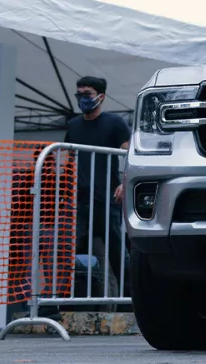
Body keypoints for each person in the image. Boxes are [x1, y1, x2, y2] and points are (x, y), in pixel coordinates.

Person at [64, 76, 131, 303]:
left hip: (108, 198)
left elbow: (130, 153)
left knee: (117, 253)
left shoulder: (114, 122)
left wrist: (125, 182)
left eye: (87, 94)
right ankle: (65, 302)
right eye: (79, 94)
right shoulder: (73, 125)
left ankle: (133, 301)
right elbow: (68, 158)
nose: (82, 99)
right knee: (70, 251)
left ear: (101, 96)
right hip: (80, 200)